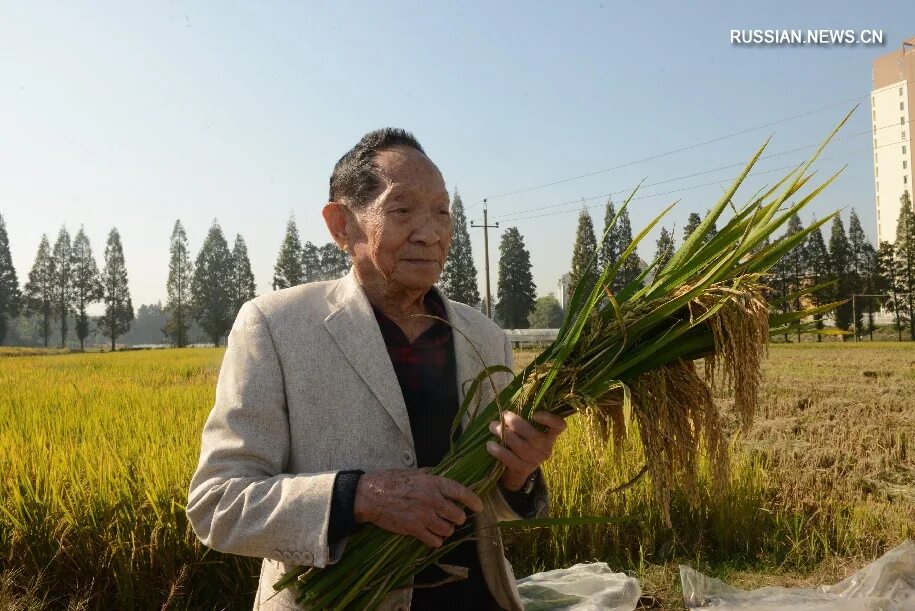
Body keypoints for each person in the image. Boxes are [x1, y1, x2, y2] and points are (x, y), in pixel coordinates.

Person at [186, 128, 568, 610]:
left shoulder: (484, 338)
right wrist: (359, 496)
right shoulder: (276, 327)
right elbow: (218, 505)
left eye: (442, 211)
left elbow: (483, 504)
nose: (431, 233)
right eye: (403, 210)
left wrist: (519, 474)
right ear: (342, 224)